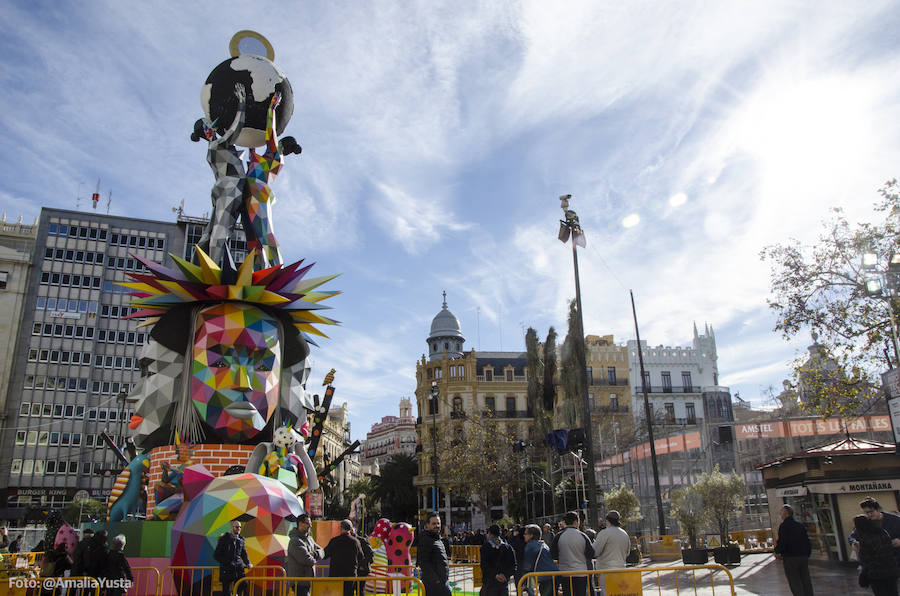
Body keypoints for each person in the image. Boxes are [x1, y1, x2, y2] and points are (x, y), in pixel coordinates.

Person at [853, 513, 899, 596]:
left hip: (876, 574)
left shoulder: (864, 539)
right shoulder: (882, 532)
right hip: (891, 569)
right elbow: (889, 548)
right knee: (893, 592)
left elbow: (864, 560)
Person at [550, 512, 594, 596]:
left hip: (565, 573)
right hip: (581, 572)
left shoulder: (558, 536)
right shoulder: (583, 536)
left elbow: (553, 554)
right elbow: (591, 553)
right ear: (576, 522)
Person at [773, 505, 813, 596]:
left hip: (790, 557)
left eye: (781, 512)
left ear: (786, 514)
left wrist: (777, 551)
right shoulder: (800, 526)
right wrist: (807, 553)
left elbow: (783, 541)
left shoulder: (784, 526)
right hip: (803, 556)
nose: (780, 514)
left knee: (794, 581)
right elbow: (807, 540)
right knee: (806, 579)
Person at [850, 497, 900, 567]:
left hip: (895, 558)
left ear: (878, 509)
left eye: (871, 511)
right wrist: (854, 543)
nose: (869, 515)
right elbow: (852, 536)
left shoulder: (895, 520)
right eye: (866, 512)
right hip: (874, 562)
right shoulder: (865, 522)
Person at [325, 519, 365, 596]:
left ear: (340, 528)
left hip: (335, 575)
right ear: (350, 529)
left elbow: (325, 554)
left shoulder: (334, 541)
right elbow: (361, 557)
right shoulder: (355, 542)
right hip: (350, 576)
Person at [287, 514, 323, 596]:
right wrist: (315, 557)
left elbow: (322, 551)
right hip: (299, 582)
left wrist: (314, 554)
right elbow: (307, 560)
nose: (310, 526)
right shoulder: (295, 541)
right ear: (300, 524)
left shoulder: (309, 539)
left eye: (310, 523)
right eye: (308, 523)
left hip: (308, 581)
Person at [416, 512, 450, 596]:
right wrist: (436, 580)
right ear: (427, 525)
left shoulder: (439, 540)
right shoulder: (425, 540)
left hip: (442, 582)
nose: (436, 526)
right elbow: (423, 562)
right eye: (433, 523)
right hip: (433, 585)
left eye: (438, 523)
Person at [214, 520, 251, 596]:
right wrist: (227, 562)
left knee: (244, 583)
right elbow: (216, 555)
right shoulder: (224, 538)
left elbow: (244, 553)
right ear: (232, 527)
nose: (239, 529)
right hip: (226, 569)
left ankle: (235, 594)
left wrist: (248, 563)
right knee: (226, 591)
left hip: (237, 568)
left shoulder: (241, 540)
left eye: (240, 527)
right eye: (237, 527)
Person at [522, 524, 559, 596]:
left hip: (545, 577)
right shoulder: (543, 544)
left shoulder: (530, 546)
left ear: (531, 535)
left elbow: (528, 566)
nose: (524, 535)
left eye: (525, 534)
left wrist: (524, 581)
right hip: (554, 574)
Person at [480, 524, 516, 596]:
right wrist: (505, 575)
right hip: (503, 583)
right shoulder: (508, 547)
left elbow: (484, 565)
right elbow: (513, 565)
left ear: (489, 533)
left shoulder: (485, 547)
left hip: (490, 582)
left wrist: (495, 575)